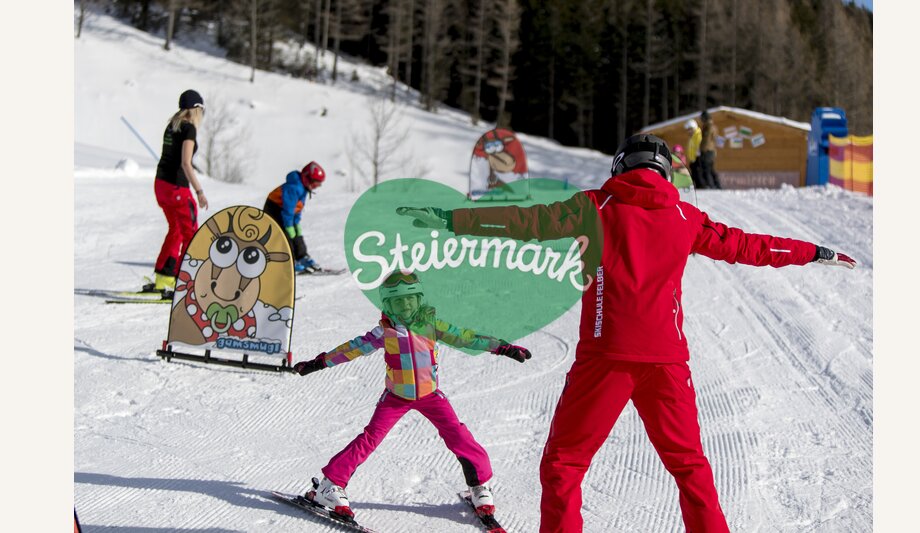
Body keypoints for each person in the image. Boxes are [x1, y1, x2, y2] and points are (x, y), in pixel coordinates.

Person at [396, 133, 856, 533]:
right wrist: (813, 250)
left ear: (621, 167)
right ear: (665, 173)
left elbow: (523, 223)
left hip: (605, 359)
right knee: (690, 467)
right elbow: (750, 247)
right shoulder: (685, 218)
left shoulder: (593, 207)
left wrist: (451, 219)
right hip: (666, 363)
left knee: (565, 466)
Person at [292, 270, 533, 521]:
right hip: (396, 397)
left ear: (419, 299)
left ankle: (479, 485)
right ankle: (329, 486)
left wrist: (502, 347)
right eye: (397, 301)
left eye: (410, 299)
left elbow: (466, 337)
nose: (405, 305)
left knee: (458, 434)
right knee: (370, 438)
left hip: (430, 395)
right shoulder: (384, 332)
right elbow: (351, 349)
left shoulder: (431, 326)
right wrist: (318, 363)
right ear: (388, 304)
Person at [146, 89, 208, 294]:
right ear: (196, 109)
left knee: (176, 230)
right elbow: (185, 163)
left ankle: (164, 280)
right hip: (177, 188)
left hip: (161, 185)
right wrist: (199, 191)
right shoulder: (189, 128)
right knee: (191, 233)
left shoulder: (171, 126)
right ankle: (184, 281)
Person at [263, 161, 325, 274]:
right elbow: (288, 210)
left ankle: (302, 257)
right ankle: (289, 261)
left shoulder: (304, 188)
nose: (316, 187)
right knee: (285, 234)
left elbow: (297, 208)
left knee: (297, 233)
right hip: (274, 209)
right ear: (307, 179)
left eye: (318, 184)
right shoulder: (294, 187)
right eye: (315, 184)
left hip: (285, 211)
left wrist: (296, 224)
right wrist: (289, 226)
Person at [699, 110, 723, 189]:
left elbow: (706, 140)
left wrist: (703, 150)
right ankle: (717, 185)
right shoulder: (711, 126)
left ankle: (711, 185)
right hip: (711, 150)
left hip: (707, 150)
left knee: (707, 168)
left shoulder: (709, 127)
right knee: (711, 168)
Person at [685, 118, 706, 188]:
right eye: (688, 130)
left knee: (698, 173)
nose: (689, 131)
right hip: (693, 158)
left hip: (697, 157)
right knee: (694, 173)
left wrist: (698, 155)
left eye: (690, 129)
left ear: (694, 128)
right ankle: (697, 186)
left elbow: (699, 145)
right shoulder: (692, 136)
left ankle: (701, 186)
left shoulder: (698, 134)